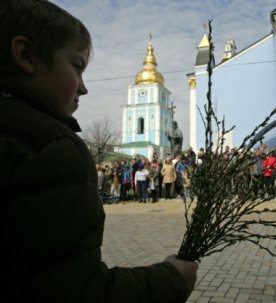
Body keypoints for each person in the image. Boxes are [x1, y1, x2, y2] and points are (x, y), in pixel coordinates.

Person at [0, 1, 197, 301]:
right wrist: (172, 279)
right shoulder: (52, 151)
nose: (84, 87)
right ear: (26, 55)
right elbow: (75, 291)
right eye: (76, 67)